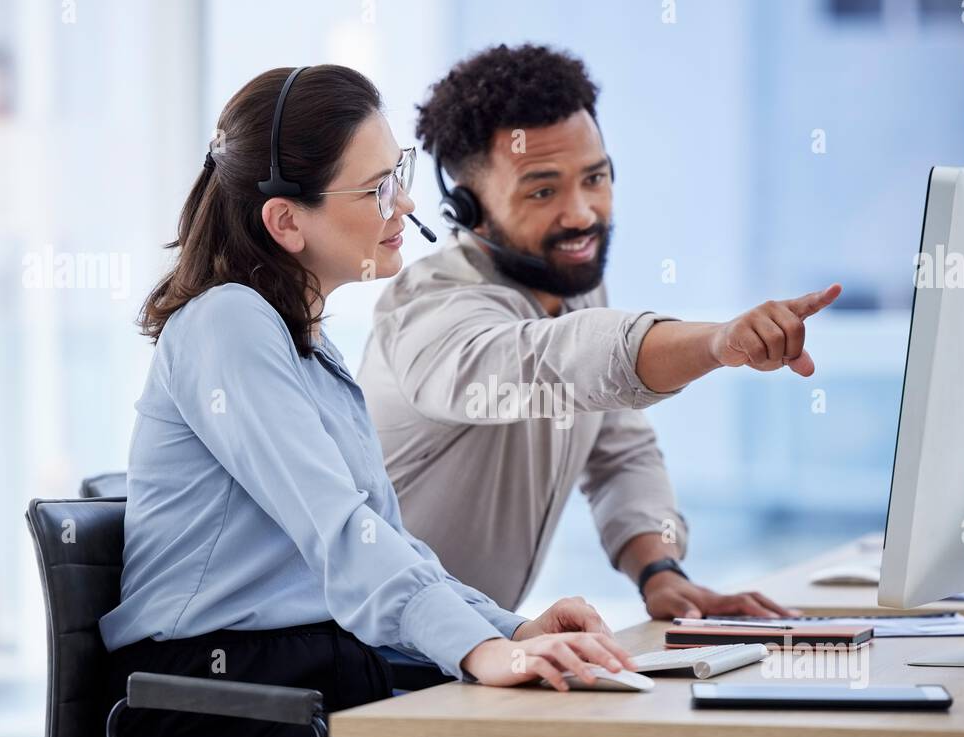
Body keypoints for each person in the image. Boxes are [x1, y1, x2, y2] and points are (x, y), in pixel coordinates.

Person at [100, 64, 632, 737]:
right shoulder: (228, 321)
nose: (406, 204)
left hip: (319, 690)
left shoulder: (309, 351)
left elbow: (388, 543)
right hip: (225, 718)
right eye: (378, 188)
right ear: (288, 222)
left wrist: (515, 627)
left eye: (400, 174)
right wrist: (485, 650)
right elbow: (341, 533)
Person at [357, 44, 838, 620]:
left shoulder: (571, 286)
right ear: (468, 209)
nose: (582, 213)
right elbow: (550, 363)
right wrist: (714, 344)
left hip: (467, 650)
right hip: (374, 662)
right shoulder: (428, 310)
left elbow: (619, 451)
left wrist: (659, 572)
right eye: (543, 191)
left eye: (595, 178)